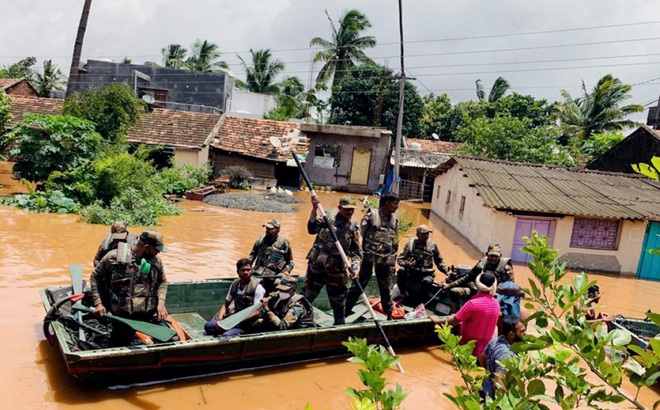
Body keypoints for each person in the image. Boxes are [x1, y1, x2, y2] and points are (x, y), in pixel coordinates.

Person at [90, 230, 168, 347]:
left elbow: (162, 282)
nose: (158, 253)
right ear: (146, 247)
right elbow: (95, 277)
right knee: (119, 347)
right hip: (123, 317)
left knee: (171, 338)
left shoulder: (156, 262)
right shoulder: (114, 257)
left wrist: (161, 303)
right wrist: (98, 303)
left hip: (148, 315)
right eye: (156, 249)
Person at [303, 195, 362, 325]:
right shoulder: (327, 216)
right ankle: (300, 325)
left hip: (336, 272)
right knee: (305, 300)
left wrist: (356, 268)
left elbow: (357, 252)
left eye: (352, 209)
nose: (350, 212)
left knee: (339, 307)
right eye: (347, 209)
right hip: (316, 268)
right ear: (339, 207)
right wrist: (314, 209)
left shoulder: (353, 225)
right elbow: (311, 229)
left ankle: (339, 331)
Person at [345, 192, 400, 319]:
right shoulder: (371, 216)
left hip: (385, 260)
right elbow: (359, 238)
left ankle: (389, 314)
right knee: (359, 285)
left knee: (385, 288)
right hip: (368, 258)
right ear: (387, 203)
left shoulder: (394, 220)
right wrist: (357, 259)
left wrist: (393, 262)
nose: (397, 207)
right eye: (395, 204)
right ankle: (345, 310)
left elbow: (395, 243)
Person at [430, 272, 501, 357]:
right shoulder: (496, 304)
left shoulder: (472, 304)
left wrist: (436, 320)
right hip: (484, 353)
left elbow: (453, 322)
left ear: (477, 284)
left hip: (466, 351)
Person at [443, 243, 514, 313]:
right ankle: (455, 317)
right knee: (454, 291)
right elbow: (468, 277)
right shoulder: (482, 263)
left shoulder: (506, 268)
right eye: (491, 256)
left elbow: (511, 286)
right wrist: (449, 285)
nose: (493, 258)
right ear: (487, 254)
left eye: (496, 256)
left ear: (500, 256)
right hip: (477, 290)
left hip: (493, 295)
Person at [204, 258, 266, 336]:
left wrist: (235, 322)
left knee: (226, 336)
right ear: (238, 272)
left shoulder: (257, 287)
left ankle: (234, 331)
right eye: (243, 270)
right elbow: (226, 303)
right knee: (208, 326)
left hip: (248, 322)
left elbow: (257, 312)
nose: (246, 272)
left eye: (248, 270)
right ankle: (227, 329)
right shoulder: (235, 284)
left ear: (252, 271)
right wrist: (219, 319)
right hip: (234, 318)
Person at [396, 224, 448, 307]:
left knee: (427, 281)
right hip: (411, 273)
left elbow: (439, 261)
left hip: (425, 274)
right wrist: (405, 264)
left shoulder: (432, 246)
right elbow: (400, 259)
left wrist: (446, 271)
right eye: (423, 234)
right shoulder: (410, 245)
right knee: (401, 271)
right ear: (417, 234)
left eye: (427, 233)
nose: (426, 236)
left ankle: (421, 301)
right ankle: (402, 295)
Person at [479, 315, 527, 399]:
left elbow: (482, 358)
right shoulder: (507, 354)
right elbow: (498, 384)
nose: (525, 334)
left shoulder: (496, 340)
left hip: (484, 389)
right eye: (522, 332)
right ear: (511, 335)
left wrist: (490, 372)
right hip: (492, 398)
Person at [250, 275, 315, 332]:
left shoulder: (297, 306)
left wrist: (268, 310)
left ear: (293, 290)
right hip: (284, 327)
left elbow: (282, 326)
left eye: (285, 290)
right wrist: (271, 301)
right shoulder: (280, 298)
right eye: (280, 289)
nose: (282, 292)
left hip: (298, 332)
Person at [248, 218, 294, 293]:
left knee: (279, 284)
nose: (267, 230)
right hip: (258, 273)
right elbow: (252, 255)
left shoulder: (284, 243)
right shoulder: (260, 239)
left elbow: (291, 262)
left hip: (274, 276)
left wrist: (286, 271)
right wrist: (247, 268)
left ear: (277, 230)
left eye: (270, 229)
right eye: (266, 228)